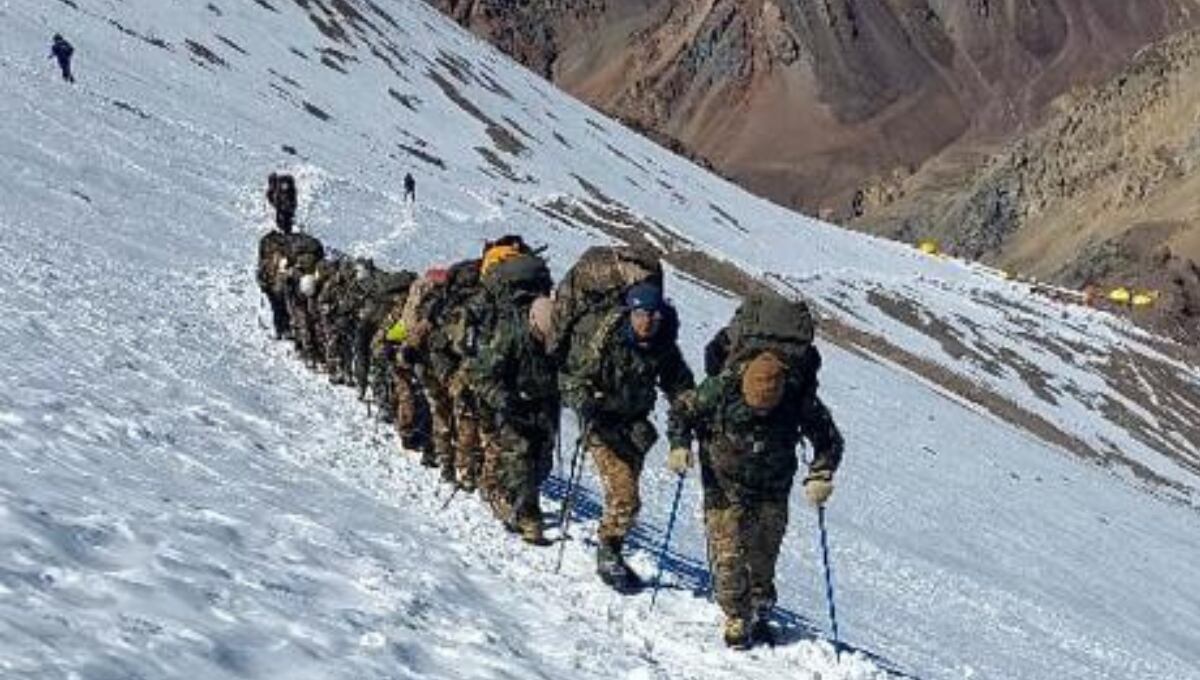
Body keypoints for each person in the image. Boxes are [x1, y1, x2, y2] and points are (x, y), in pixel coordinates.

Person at [672, 292, 844, 649]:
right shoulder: (722, 387)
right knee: (729, 558)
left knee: (763, 557)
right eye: (755, 408)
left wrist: (821, 473)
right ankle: (736, 618)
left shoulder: (797, 394)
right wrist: (678, 446)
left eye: (769, 408)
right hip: (723, 479)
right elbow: (682, 411)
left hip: (772, 484)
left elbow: (829, 440)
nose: (762, 413)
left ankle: (761, 607)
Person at [561, 282, 695, 592]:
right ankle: (608, 553)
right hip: (601, 424)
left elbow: (682, 389)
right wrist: (584, 400)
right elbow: (570, 379)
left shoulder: (663, 346)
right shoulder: (603, 340)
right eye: (641, 314)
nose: (647, 321)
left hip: (634, 428)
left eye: (654, 315)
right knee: (626, 497)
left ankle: (612, 545)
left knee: (626, 495)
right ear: (629, 312)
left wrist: (682, 435)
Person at [466, 255, 556, 543]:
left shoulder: (558, 337)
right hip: (512, 401)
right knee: (520, 458)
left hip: (543, 402)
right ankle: (527, 516)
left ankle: (513, 496)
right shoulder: (509, 335)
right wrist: (502, 399)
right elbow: (481, 376)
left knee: (542, 462)